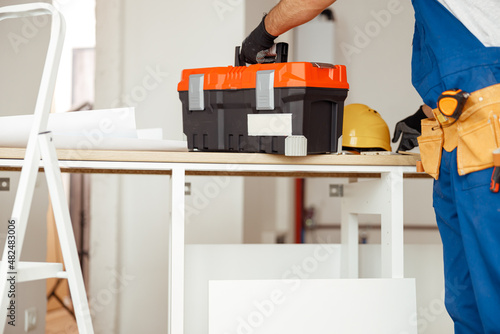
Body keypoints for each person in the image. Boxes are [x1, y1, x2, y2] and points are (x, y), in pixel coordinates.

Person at [240, 1, 500, 333]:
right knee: (468, 307)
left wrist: (264, 32)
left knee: (494, 300)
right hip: (456, 136)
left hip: (490, 142)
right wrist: (429, 110)